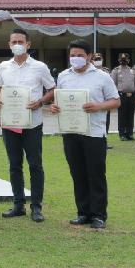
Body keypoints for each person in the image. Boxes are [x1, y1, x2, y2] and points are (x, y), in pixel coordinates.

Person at [49, 39, 120, 230]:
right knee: (77, 173)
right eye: (73, 55)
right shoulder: (63, 76)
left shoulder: (102, 76)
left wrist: (99, 106)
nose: (76, 58)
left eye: (80, 55)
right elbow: (59, 99)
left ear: (89, 56)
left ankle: (98, 215)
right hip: (70, 131)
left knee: (95, 174)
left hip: (94, 133)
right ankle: (83, 212)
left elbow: (115, 101)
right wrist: (54, 107)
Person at [0, 28, 55, 222]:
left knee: (35, 164)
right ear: (9, 45)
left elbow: (52, 89)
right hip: (10, 123)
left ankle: (36, 207)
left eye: (21, 41)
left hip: (32, 123)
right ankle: (18, 204)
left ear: (28, 44)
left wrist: (40, 102)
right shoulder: (3, 66)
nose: (17, 45)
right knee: (14, 165)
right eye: (14, 42)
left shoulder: (39, 67)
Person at [110, 53, 135, 141]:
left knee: (130, 116)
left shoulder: (133, 71)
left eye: (125, 59)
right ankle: (122, 134)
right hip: (121, 96)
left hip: (132, 96)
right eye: (122, 59)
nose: (124, 61)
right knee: (122, 116)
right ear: (119, 60)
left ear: (128, 60)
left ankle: (130, 134)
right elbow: (113, 85)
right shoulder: (115, 71)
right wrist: (115, 97)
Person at [91, 53, 113, 150]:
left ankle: (104, 141)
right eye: (96, 59)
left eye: (99, 59)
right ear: (92, 60)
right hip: (94, 100)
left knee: (106, 121)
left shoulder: (106, 71)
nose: (98, 60)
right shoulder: (90, 71)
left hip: (105, 101)